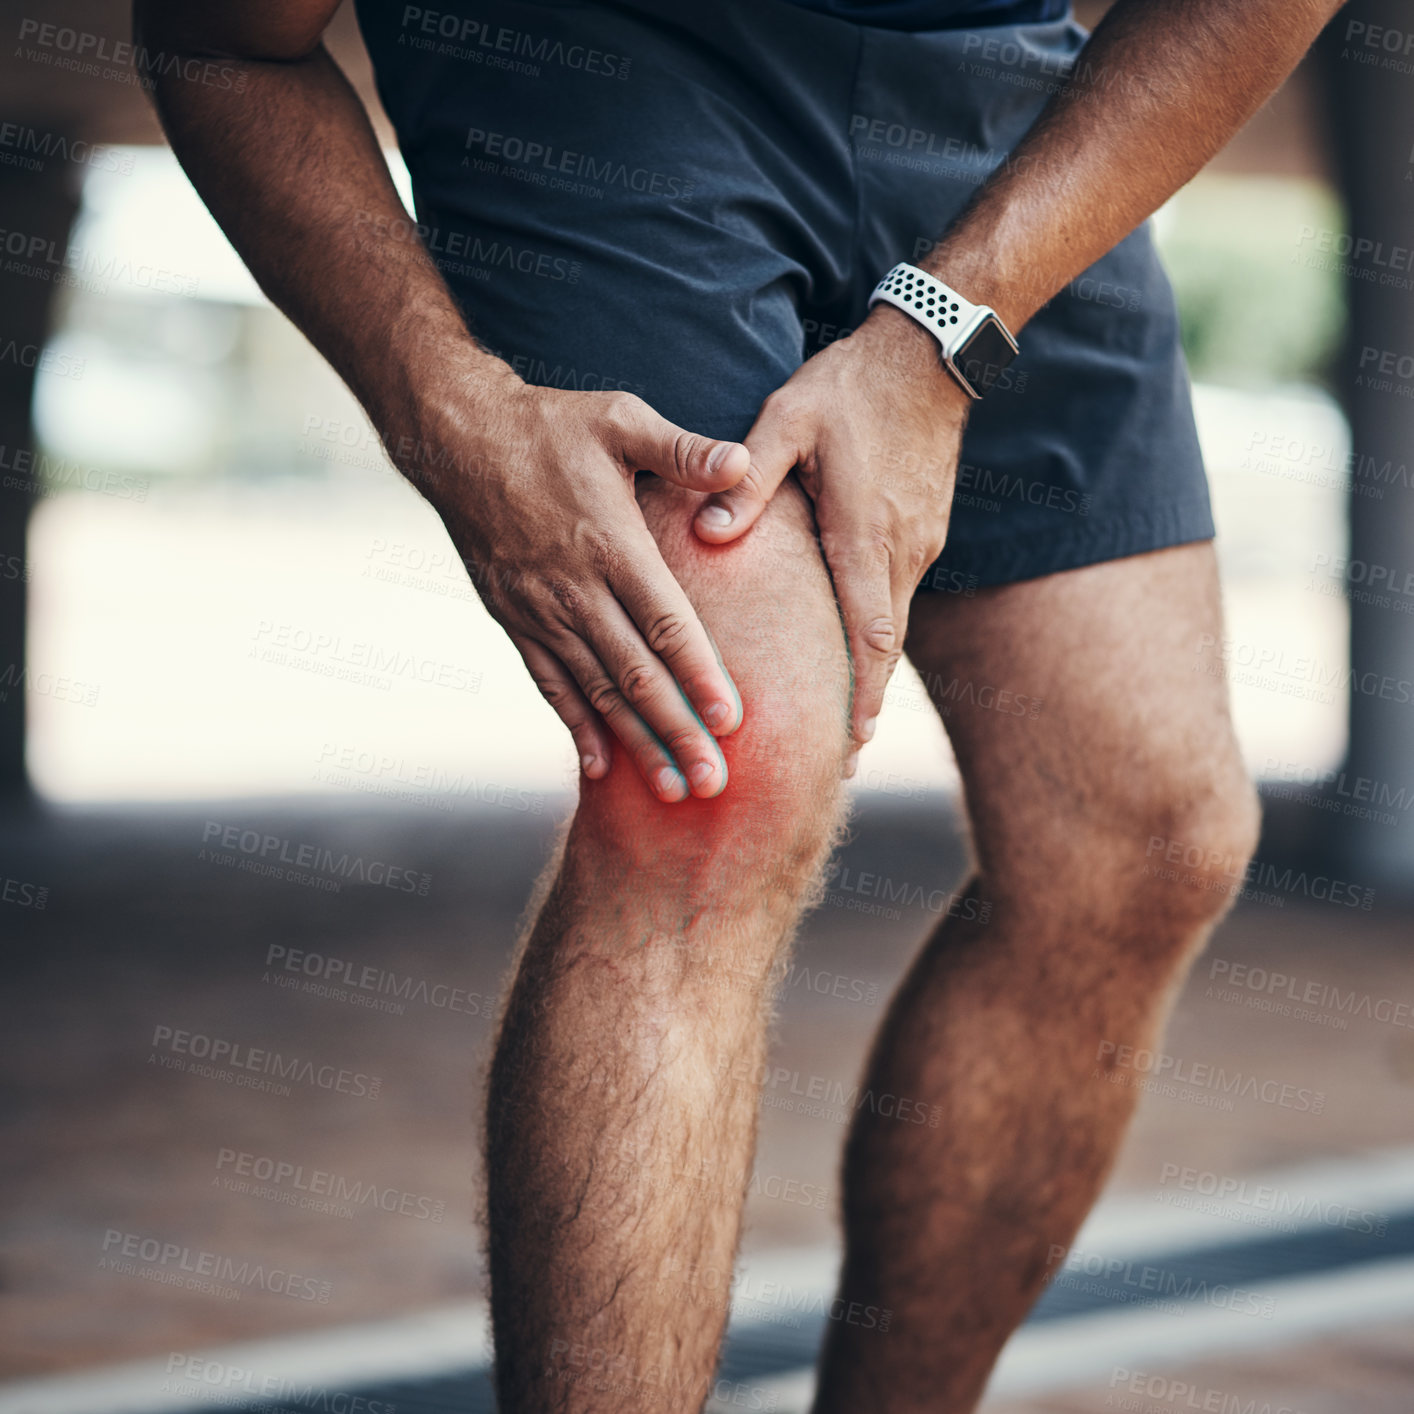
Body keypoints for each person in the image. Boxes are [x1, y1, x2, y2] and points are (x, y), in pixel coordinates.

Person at [133, 0, 1342, 1407]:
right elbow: (220, 42)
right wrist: (445, 405)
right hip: (605, 62)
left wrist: (932, 338)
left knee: (1147, 833)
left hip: (996, 92)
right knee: (709, 787)